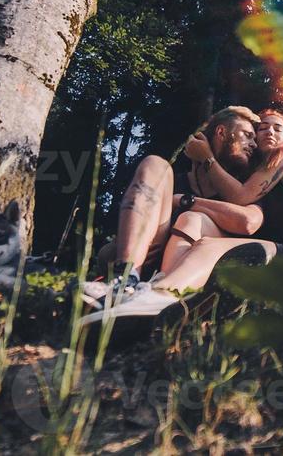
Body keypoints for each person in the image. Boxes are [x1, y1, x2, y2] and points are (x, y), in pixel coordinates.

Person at [83, 107, 283, 323]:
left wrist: (198, 176)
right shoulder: (256, 176)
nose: (267, 133)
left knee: (209, 245)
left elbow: (244, 205)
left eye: (278, 128)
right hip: (277, 247)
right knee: (191, 220)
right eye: (261, 129)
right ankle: (149, 287)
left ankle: (162, 295)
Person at [86, 106, 266, 306]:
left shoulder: (243, 189)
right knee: (155, 164)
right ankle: (126, 279)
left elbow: (249, 221)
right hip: (150, 262)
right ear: (221, 132)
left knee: (191, 219)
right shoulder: (175, 181)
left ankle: (160, 297)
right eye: (247, 135)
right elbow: (107, 254)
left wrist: (185, 200)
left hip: (197, 274)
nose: (253, 145)